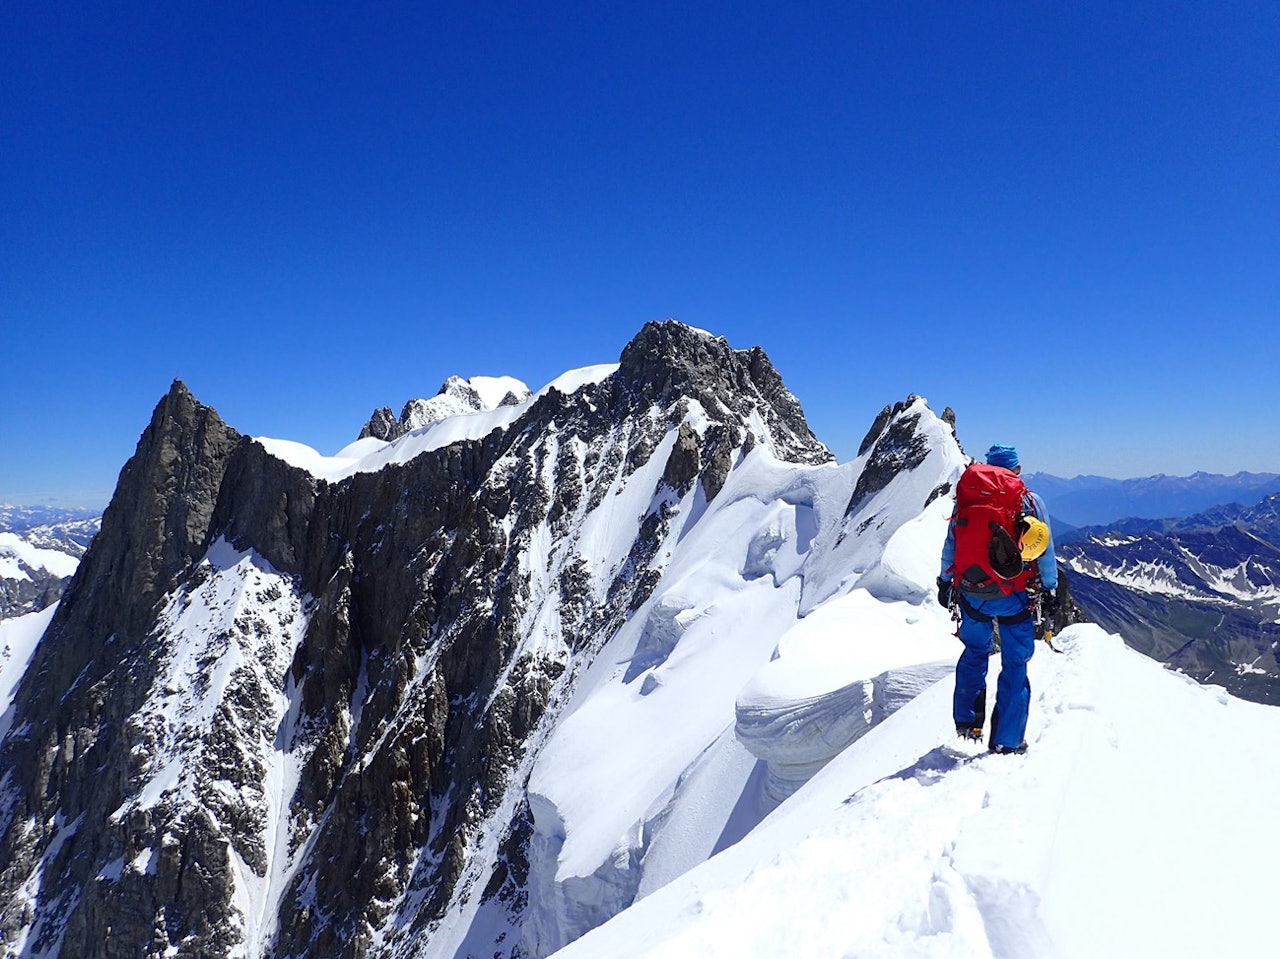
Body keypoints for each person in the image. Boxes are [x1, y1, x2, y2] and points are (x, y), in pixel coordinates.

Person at [937, 444, 1057, 754]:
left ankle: (967, 722)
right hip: (1013, 595)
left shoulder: (966, 500)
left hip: (971, 592)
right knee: (1014, 663)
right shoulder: (1028, 500)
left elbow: (952, 542)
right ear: (1016, 470)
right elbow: (1044, 548)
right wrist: (1051, 587)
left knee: (975, 650)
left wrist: (945, 581)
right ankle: (1008, 740)